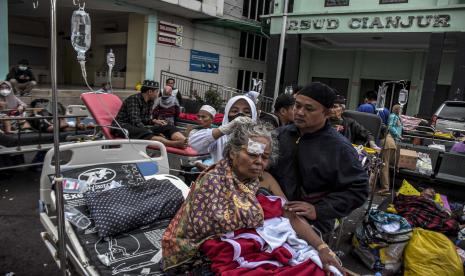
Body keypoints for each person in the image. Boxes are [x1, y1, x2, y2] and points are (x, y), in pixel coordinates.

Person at [162, 122, 344, 275]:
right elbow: (210, 231)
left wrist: (321, 247)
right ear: (233, 152)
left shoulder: (264, 179)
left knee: (316, 267)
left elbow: (289, 214)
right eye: (252, 154)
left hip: (259, 246)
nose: (259, 162)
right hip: (214, 251)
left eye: (264, 157)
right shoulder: (213, 180)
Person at [270, 82, 369, 234]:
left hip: (313, 222)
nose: (300, 112)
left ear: (327, 113)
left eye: (309, 109)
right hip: (274, 211)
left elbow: (359, 189)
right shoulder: (279, 135)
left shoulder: (339, 148)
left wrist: (319, 210)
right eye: (297, 106)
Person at [112, 80, 187, 149]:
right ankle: (173, 144)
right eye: (156, 92)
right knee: (145, 132)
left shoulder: (150, 101)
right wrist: (153, 132)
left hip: (138, 126)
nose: (158, 94)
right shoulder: (134, 99)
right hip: (122, 126)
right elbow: (135, 121)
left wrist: (154, 121)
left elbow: (145, 119)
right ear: (150, 92)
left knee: (169, 126)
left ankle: (184, 141)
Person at [188, 95, 256, 162]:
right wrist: (224, 129)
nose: (240, 115)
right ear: (227, 115)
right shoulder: (220, 137)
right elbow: (193, 143)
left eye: (247, 112)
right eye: (234, 111)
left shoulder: (259, 139)